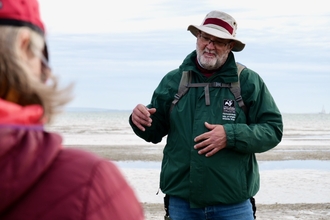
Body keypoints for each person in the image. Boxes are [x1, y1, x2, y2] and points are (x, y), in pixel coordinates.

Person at [129, 10, 283, 220]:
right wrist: (140, 120)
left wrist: (230, 135)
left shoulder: (247, 81)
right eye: (206, 38)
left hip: (234, 204)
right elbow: (154, 131)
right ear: (197, 38)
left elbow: (273, 129)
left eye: (219, 41)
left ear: (229, 46)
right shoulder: (174, 80)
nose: (210, 46)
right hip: (182, 203)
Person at [0, 0, 144, 219]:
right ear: (23, 46)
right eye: (42, 54)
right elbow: (154, 129)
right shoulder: (90, 184)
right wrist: (140, 121)